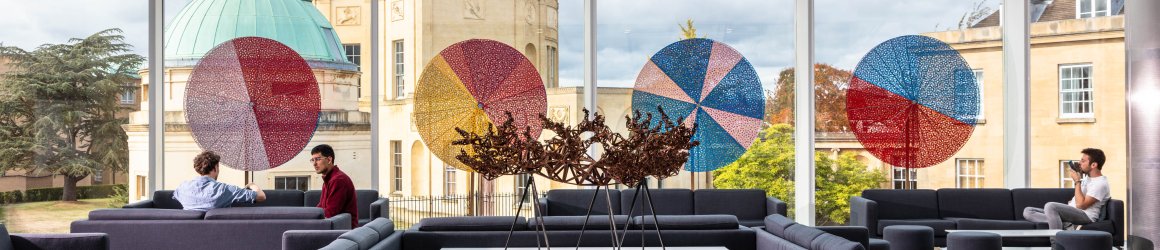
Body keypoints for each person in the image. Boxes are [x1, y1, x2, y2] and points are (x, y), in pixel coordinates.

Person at [1023, 148, 1110, 230]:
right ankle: (1066, 224)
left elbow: (1081, 205)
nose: (1079, 163)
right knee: (1028, 211)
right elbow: (1079, 198)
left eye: (1083, 161)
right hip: (1074, 212)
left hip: (1086, 216)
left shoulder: (1100, 184)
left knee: (1050, 206)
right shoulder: (1088, 178)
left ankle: (1056, 243)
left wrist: (1077, 181)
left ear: (1094, 165)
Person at [173, 151, 267, 211]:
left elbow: (175, 195)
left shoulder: (183, 188)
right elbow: (261, 196)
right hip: (219, 235)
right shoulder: (225, 190)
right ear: (215, 168)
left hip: (188, 235)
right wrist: (252, 185)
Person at [312, 144, 358, 228]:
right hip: (335, 227)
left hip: (343, 231)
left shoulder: (338, 180)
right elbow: (321, 206)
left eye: (318, 159)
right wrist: (308, 215)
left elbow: (331, 212)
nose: (314, 164)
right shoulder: (329, 179)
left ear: (329, 160)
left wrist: (311, 219)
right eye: (312, 160)